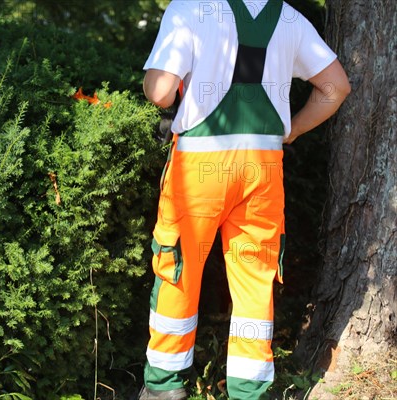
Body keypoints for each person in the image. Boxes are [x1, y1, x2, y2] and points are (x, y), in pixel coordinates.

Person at [140, 1, 350, 399]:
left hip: (199, 166)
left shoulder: (189, 9)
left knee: (178, 269)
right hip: (262, 166)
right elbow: (336, 87)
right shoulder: (289, 17)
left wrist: (155, 80)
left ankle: (164, 387)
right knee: (255, 280)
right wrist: (293, 131)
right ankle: (249, 391)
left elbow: (162, 92)